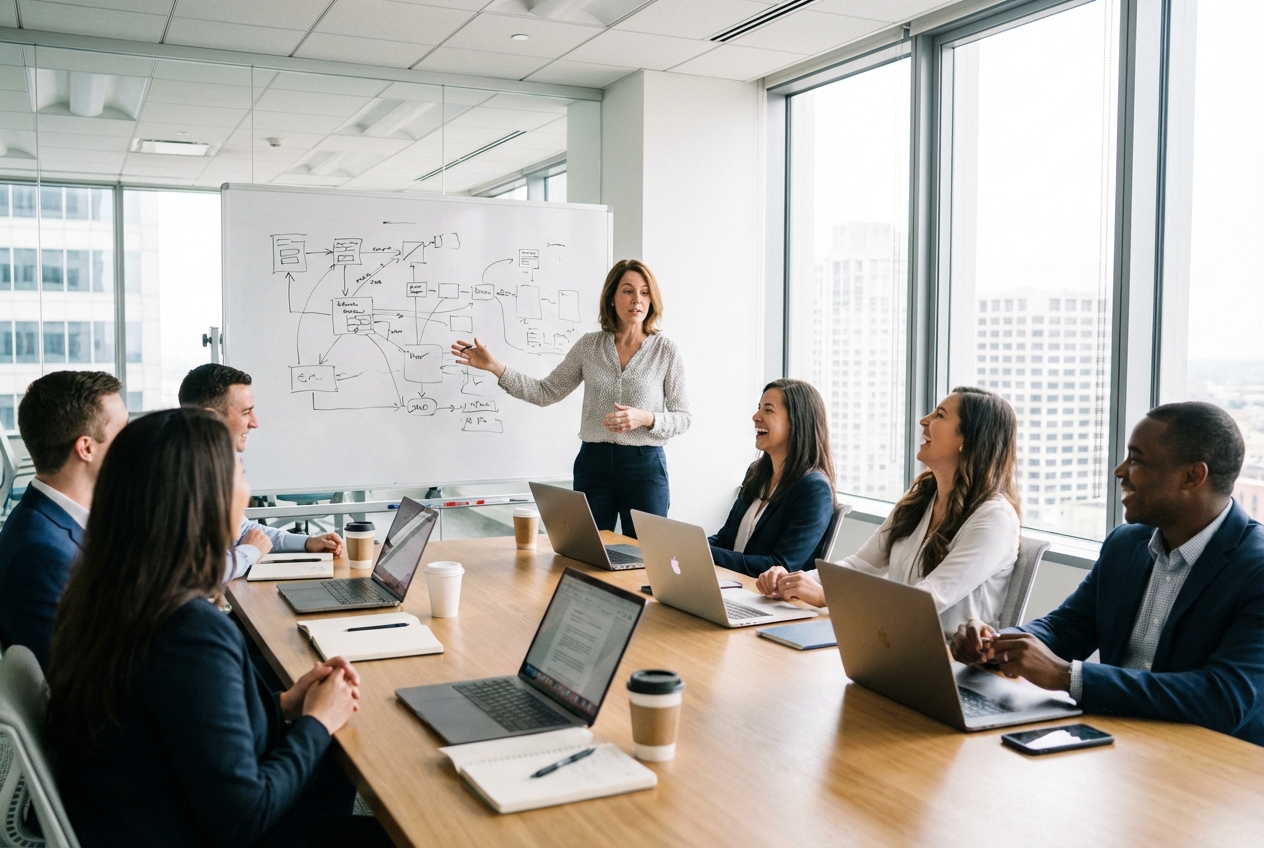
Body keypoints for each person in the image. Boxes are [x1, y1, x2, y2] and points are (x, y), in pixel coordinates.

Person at [48, 408, 391, 846]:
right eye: (241, 477)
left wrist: (284, 704)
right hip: (199, 829)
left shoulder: (108, 595)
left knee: (335, 769)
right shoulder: (188, 628)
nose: (247, 495)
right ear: (206, 499)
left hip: (137, 815)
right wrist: (318, 722)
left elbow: (182, 720)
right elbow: (241, 818)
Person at [952, 402, 1264, 745]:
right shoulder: (1126, 543)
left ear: (1192, 476)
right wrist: (997, 644)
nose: (1120, 472)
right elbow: (1068, 627)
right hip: (1119, 740)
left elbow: (1226, 698)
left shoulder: (1255, 567)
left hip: (1212, 762)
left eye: (1136, 460)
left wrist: (1068, 676)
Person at [451, 259, 689, 539]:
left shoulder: (666, 351)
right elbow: (545, 391)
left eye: (645, 292)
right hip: (594, 464)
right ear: (612, 298)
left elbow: (683, 417)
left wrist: (646, 417)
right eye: (627, 291)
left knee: (646, 555)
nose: (637, 299)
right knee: (588, 553)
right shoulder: (590, 345)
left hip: (644, 466)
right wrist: (496, 367)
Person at [758, 387, 1021, 638]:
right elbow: (859, 566)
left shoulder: (994, 519)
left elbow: (924, 601)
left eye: (939, 415)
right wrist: (795, 579)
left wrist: (827, 596)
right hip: (893, 640)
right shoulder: (920, 500)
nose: (924, 420)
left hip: (950, 661)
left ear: (968, 439)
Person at [0, 371, 127, 670]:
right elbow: (90, 677)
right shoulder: (40, 553)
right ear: (86, 448)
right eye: (125, 435)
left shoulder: (61, 522)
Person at [179, 363, 344, 580]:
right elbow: (196, 574)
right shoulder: (178, 478)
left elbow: (245, 532)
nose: (254, 423)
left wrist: (306, 543)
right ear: (211, 418)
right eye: (246, 412)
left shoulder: (208, 465)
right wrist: (249, 552)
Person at [708, 379, 836, 577]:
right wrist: (688, 546)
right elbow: (725, 539)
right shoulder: (756, 472)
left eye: (768, 410)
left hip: (769, 599)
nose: (755, 416)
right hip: (732, 584)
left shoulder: (814, 489)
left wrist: (706, 553)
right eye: (759, 408)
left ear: (796, 422)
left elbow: (781, 565)